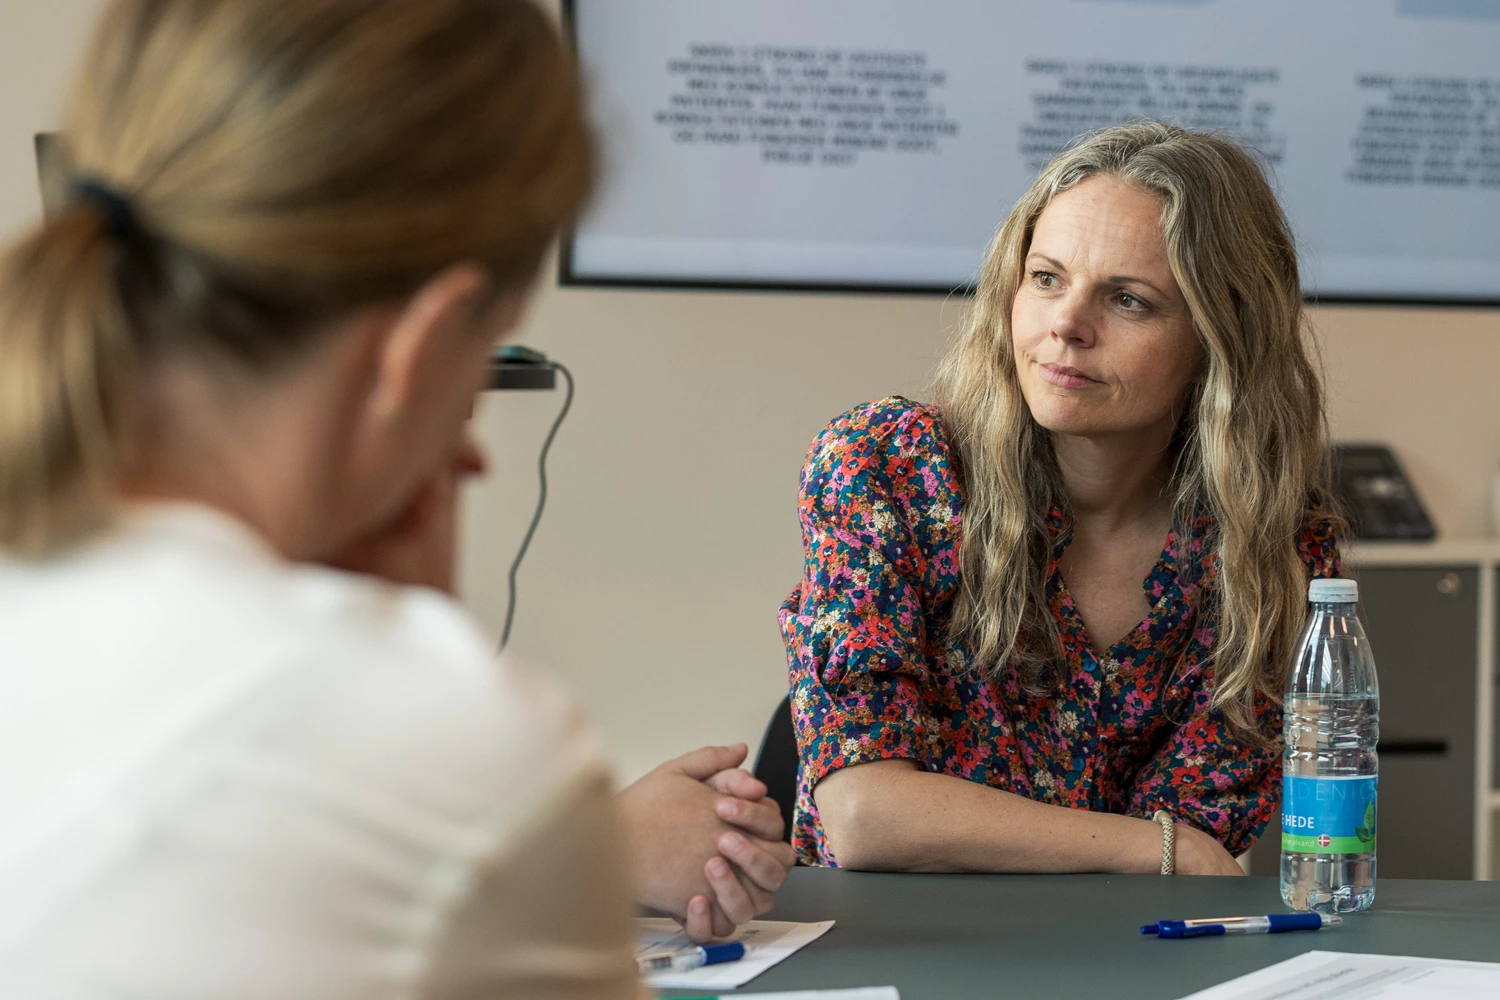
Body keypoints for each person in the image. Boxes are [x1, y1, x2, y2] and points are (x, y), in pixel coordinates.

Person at [0, 1, 789, 997]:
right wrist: (416, 644)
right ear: (424, 348)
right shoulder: (446, 746)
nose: (469, 454)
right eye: (474, 377)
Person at [780, 122, 1342, 876]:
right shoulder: (887, 467)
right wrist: (1156, 849)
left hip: (1130, 964)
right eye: (1046, 278)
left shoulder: (1271, 541)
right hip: (891, 957)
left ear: (1219, 338)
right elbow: (862, 816)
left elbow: (1204, 834)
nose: (1066, 326)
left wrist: (1170, 856)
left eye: (1129, 300)